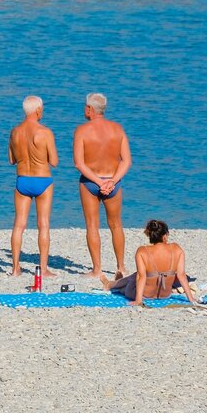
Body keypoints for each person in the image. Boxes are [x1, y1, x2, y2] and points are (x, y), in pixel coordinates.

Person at [73, 93, 132, 279]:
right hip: (112, 181)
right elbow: (126, 161)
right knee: (116, 225)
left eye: (85, 106)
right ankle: (121, 267)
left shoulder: (81, 131)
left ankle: (97, 269)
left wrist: (99, 182)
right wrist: (112, 181)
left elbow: (79, 164)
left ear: (90, 109)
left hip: (91, 181)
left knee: (92, 225)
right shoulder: (117, 129)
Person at [9, 95, 58, 277]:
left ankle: (15, 268)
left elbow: (11, 159)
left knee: (19, 224)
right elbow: (54, 161)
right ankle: (43, 269)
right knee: (43, 224)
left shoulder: (15, 132)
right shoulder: (45, 132)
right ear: (38, 110)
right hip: (42, 180)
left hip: (22, 180)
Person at [100, 219, 195, 307]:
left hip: (145, 295)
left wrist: (138, 300)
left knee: (133, 279)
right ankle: (115, 284)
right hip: (165, 294)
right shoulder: (176, 249)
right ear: (165, 236)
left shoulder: (142, 251)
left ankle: (110, 285)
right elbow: (181, 275)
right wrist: (191, 299)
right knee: (136, 277)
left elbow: (141, 277)